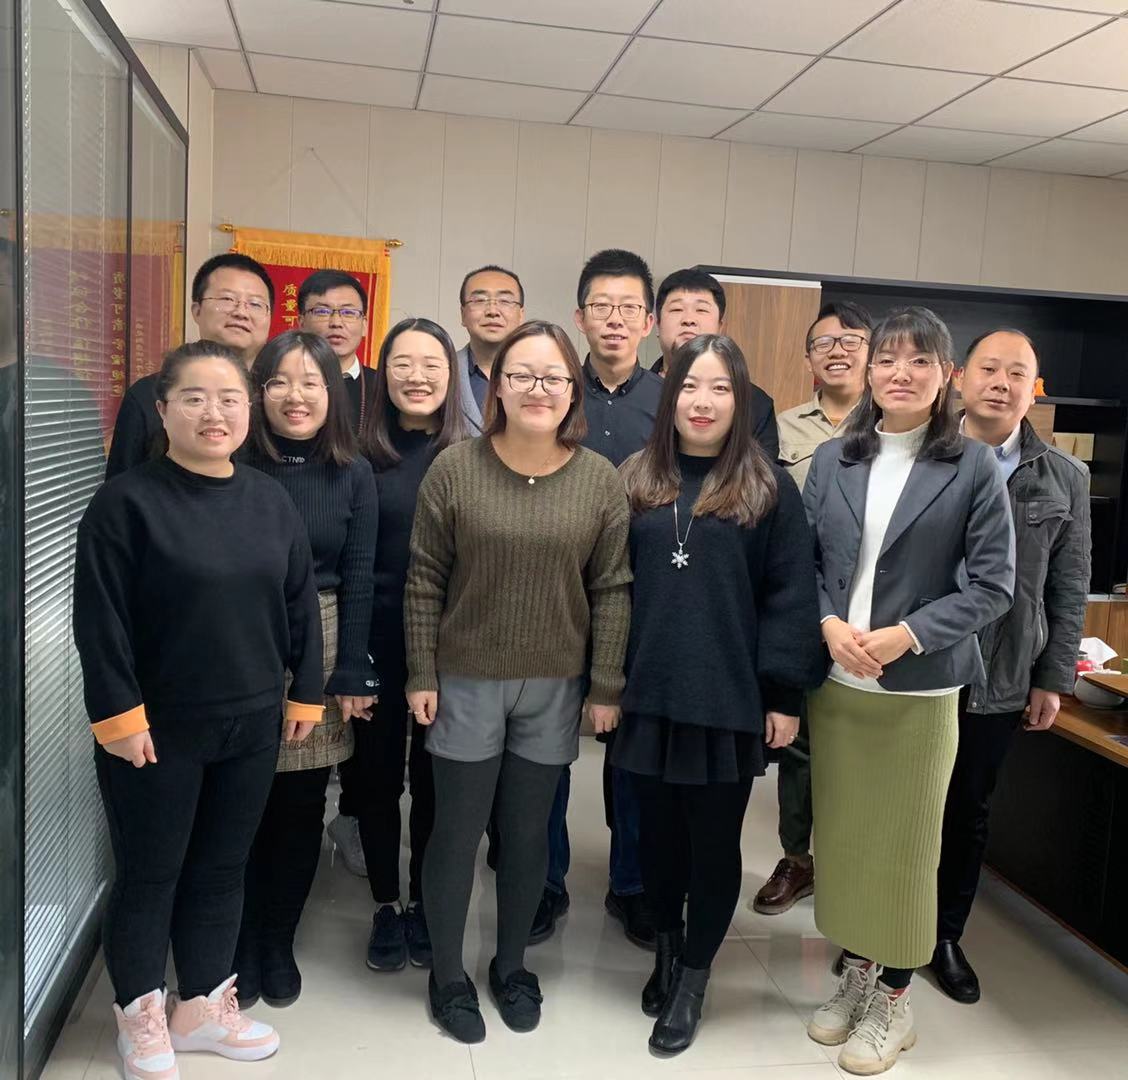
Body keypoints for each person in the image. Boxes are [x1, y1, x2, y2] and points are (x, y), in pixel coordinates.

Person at [73, 340, 325, 1080]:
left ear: (249, 411)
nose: (214, 413)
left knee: (221, 868)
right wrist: (120, 719)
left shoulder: (269, 500)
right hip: (157, 731)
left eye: (229, 399)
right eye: (194, 398)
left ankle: (202, 1008)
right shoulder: (125, 504)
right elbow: (100, 622)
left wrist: (306, 692)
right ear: (162, 410)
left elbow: (300, 603)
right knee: (151, 872)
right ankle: (139, 1012)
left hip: (252, 723)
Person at [405, 320, 631, 1043]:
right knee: (456, 832)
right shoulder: (454, 469)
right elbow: (424, 579)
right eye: (522, 375)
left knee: (529, 835)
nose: (539, 389)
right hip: (466, 678)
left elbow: (612, 588)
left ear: (573, 390)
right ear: (496, 386)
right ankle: (447, 975)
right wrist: (421, 670)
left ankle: (510, 966)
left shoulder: (599, 479)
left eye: (554, 377)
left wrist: (605, 685)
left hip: (555, 684)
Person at [803, 307, 1015, 1075]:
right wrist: (828, 623)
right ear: (869, 372)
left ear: (945, 375)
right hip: (838, 686)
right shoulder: (833, 458)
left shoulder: (973, 467)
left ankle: (895, 998)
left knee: (906, 851)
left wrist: (909, 634)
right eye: (888, 359)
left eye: (919, 361)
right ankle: (857, 974)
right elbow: (802, 562)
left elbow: (994, 585)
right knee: (848, 843)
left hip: (919, 696)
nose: (901, 373)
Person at [615, 334, 824, 1054]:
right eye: (688, 387)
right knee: (657, 844)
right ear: (668, 398)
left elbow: (791, 597)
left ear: (740, 400)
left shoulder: (768, 487)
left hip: (726, 701)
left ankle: (695, 979)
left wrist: (784, 696)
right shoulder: (636, 477)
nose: (702, 402)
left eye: (720, 388)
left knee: (712, 848)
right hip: (648, 694)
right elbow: (609, 589)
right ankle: (668, 951)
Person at [931, 329, 1090, 1003]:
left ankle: (944, 935)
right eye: (989, 369)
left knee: (968, 808)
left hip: (1001, 674)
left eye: (1017, 373)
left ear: (1035, 389)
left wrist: (1053, 677)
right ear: (959, 377)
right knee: (906, 807)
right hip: (920, 668)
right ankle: (879, 931)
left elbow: (1069, 585)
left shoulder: (1065, 477)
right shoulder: (924, 455)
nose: (1001, 383)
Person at [522, 248, 660, 952]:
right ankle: (543, 881)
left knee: (630, 756)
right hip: (551, 598)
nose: (614, 319)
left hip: (640, 601)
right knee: (546, 752)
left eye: (629, 307)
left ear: (649, 321)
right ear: (579, 317)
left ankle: (630, 884)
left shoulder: (667, 402)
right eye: (601, 306)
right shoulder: (551, 389)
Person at [235, 331, 378, 1009]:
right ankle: (237, 941)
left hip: (319, 637)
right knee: (239, 804)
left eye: (312, 383)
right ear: (258, 391)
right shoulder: (233, 462)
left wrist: (349, 670)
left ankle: (277, 941)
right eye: (280, 382)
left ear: (334, 394)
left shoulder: (353, 473)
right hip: (237, 637)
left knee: (298, 807)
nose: (296, 396)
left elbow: (358, 576)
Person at [355, 318, 468, 974]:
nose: (417, 376)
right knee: (374, 780)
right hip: (374, 639)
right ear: (383, 372)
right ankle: (384, 903)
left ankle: (425, 901)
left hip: (448, 645)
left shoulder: (471, 456)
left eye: (432, 364)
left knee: (434, 781)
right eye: (402, 363)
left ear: (451, 375)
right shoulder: (356, 454)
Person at [754, 300, 873, 917]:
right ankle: (797, 859)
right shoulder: (783, 427)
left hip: (875, 609)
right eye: (825, 342)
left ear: (872, 354)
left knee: (861, 745)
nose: (838, 351)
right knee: (799, 743)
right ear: (808, 359)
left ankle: (853, 866)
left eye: (852, 341)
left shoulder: (895, 424)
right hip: (806, 601)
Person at [105, 253, 274, 478]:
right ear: (196, 310)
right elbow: (120, 485)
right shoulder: (147, 394)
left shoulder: (277, 397)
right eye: (227, 299)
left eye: (255, 304)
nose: (241, 312)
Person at [651, 268, 779, 458]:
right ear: (658, 324)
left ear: (720, 327)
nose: (689, 320)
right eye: (677, 309)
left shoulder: (755, 402)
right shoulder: (636, 392)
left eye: (701, 310)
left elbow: (762, 471)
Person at [299, 268, 380, 435]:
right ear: (301, 323)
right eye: (322, 312)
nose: (336, 322)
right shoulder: (280, 383)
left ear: (364, 325)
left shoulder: (382, 387)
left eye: (348, 313)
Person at [455, 264, 526, 433]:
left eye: (505, 301)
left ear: (521, 315)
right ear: (463, 314)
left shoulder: (542, 377)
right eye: (479, 300)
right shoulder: (443, 370)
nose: (493, 311)